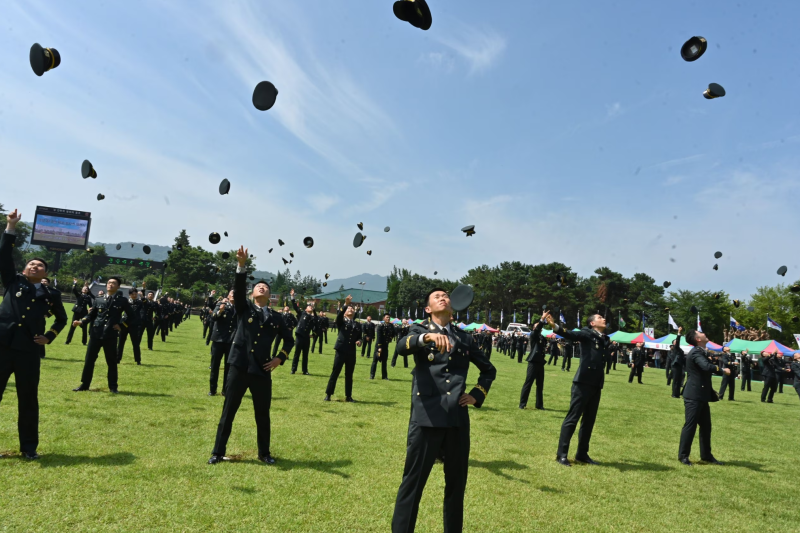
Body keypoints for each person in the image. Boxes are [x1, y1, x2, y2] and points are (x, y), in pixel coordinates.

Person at [390, 288, 495, 533]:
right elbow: (401, 347)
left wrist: (477, 394)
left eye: (446, 295)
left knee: (456, 488)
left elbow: (488, 370)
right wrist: (426, 338)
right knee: (412, 486)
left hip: (457, 420)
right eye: (437, 297)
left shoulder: (464, 337)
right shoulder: (418, 330)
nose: (443, 298)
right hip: (426, 419)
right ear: (428, 309)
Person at [208, 246, 294, 465]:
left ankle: (264, 453)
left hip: (262, 370)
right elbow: (237, 289)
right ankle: (217, 452)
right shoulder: (244, 308)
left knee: (262, 414)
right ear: (252, 293)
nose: (262, 288)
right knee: (228, 412)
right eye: (258, 286)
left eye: (265, 287)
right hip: (238, 367)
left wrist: (279, 358)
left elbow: (289, 340)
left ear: (270, 295)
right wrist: (241, 266)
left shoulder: (276, 317)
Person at [0, 209, 68, 459]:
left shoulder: (51, 295)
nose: (33, 265)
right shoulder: (12, 281)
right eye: (30, 263)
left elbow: (62, 319)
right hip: (3, 346)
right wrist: (10, 228)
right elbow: (4, 255)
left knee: (28, 400)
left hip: (28, 351)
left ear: (44, 273)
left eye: (38, 265)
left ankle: (29, 448)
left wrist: (49, 336)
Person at [546, 312, 609, 466]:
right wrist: (555, 326)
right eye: (600, 318)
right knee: (573, 418)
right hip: (582, 382)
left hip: (596, 383)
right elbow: (571, 335)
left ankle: (582, 454)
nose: (604, 319)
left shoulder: (603, 339)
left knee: (589, 421)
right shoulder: (587, 334)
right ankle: (562, 454)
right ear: (592, 323)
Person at [73, 276, 133, 393]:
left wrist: (121, 325)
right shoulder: (99, 299)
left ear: (118, 286)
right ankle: (84, 385)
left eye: (114, 283)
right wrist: (82, 321)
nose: (110, 285)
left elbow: (132, 316)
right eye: (109, 283)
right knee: (89, 360)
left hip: (110, 335)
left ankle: (113, 387)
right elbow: (92, 315)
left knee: (111, 362)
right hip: (96, 334)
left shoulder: (122, 301)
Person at [678, 329, 729, 466]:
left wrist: (721, 352)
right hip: (694, 395)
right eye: (699, 332)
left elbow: (709, 355)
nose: (703, 332)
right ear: (697, 339)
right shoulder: (695, 352)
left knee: (706, 427)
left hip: (701, 395)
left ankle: (706, 455)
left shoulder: (700, 351)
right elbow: (706, 366)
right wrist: (722, 370)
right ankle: (683, 456)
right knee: (690, 425)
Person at [324, 295, 362, 401]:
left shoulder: (358, 325)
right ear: (345, 312)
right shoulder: (342, 322)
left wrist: (360, 341)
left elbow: (360, 337)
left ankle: (348, 396)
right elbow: (339, 314)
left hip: (351, 352)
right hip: (341, 350)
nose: (350, 309)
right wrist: (345, 304)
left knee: (349, 374)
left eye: (352, 308)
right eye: (349, 308)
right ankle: (328, 394)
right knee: (335, 372)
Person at [519, 312, 550, 410]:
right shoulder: (533, 335)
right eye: (538, 326)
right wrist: (542, 319)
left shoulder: (542, 338)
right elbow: (536, 330)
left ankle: (539, 405)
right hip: (533, 361)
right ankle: (522, 404)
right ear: (534, 328)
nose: (540, 328)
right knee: (528, 383)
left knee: (540, 385)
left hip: (540, 362)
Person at [209, 290, 237, 396]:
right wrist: (220, 311)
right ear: (228, 296)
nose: (234, 294)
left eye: (236, 293)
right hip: (218, 340)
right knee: (215, 365)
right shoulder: (221, 304)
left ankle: (225, 390)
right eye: (232, 293)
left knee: (228, 367)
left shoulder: (239, 308)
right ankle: (212, 389)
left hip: (231, 341)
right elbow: (213, 317)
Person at [290, 289, 315, 375]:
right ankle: (293, 369)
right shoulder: (302, 314)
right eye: (309, 306)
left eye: (311, 307)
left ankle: (305, 370)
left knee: (305, 355)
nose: (310, 307)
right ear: (305, 309)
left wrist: (313, 335)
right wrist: (292, 297)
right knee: (297, 353)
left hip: (306, 337)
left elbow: (316, 327)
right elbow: (295, 306)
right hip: (300, 336)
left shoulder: (312, 318)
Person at [116, 288, 143, 365]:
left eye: (135, 294)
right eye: (132, 294)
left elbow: (144, 304)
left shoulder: (139, 302)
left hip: (134, 325)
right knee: (121, 342)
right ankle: (118, 358)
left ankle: (138, 360)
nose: (134, 296)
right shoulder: (125, 302)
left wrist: (142, 295)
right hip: (124, 324)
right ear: (129, 295)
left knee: (135, 343)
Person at [65, 279, 94, 345]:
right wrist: (75, 283)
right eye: (84, 288)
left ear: (88, 291)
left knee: (84, 327)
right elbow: (74, 289)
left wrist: (90, 309)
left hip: (84, 313)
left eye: (86, 289)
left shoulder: (88, 297)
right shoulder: (79, 295)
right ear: (81, 290)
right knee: (73, 326)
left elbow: (90, 305)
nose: (85, 289)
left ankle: (84, 342)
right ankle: (68, 341)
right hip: (77, 312)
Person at [371, 313, 394, 380]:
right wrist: (379, 347)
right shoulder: (380, 326)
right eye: (387, 317)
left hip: (385, 346)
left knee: (384, 361)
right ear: (383, 318)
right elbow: (379, 337)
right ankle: (372, 375)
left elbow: (393, 333)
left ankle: (384, 376)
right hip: (379, 346)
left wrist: (390, 339)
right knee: (375, 360)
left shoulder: (391, 326)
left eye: (389, 317)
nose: (388, 319)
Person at [670, 331, 685, 398]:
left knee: (679, 381)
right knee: (675, 380)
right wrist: (678, 334)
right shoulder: (676, 348)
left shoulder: (679, 349)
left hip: (679, 365)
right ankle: (674, 394)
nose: (677, 342)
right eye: (675, 341)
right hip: (675, 366)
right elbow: (678, 342)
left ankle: (677, 394)